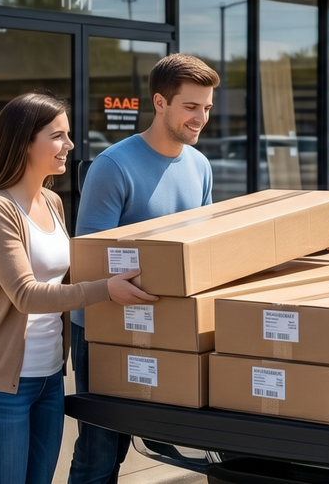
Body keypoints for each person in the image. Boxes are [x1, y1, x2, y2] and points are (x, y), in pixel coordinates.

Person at [0, 91, 157, 484]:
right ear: (23, 140)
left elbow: (64, 278)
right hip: (0, 383)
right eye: (57, 136)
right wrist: (106, 288)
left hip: (49, 376)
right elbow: (27, 294)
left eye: (67, 135)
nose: (69, 145)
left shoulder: (52, 201)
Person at [68, 54, 220, 484]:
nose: (201, 118)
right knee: (100, 454)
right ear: (160, 102)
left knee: (163, 439)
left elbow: (204, 246)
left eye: (207, 108)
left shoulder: (199, 165)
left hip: (167, 324)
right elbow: (89, 261)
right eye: (191, 107)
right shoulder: (113, 166)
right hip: (104, 328)